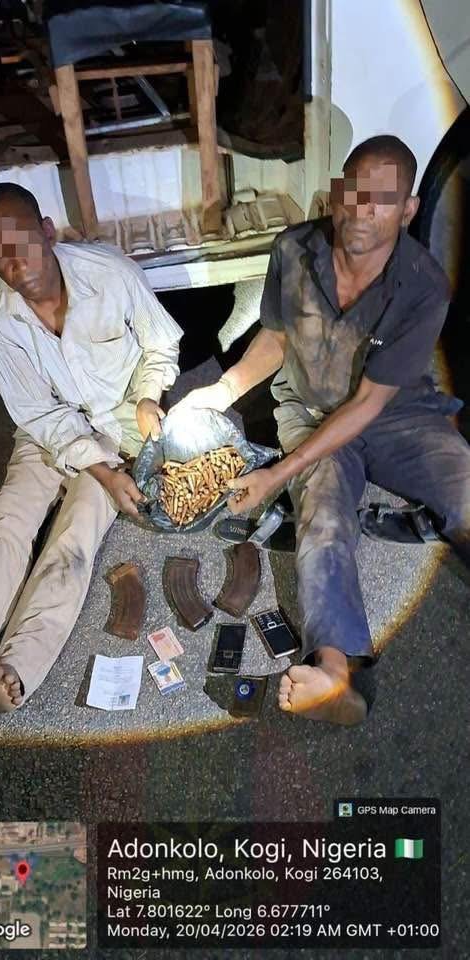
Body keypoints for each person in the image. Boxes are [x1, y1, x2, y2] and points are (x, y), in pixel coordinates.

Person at [176, 135, 470, 726]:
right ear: (337, 193)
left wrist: (273, 476)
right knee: (324, 516)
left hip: (395, 411)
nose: (362, 209)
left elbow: (367, 403)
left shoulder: (423, 284)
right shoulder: (294, 250)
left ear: (408, 210)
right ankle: (334, 674)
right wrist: (222, 391)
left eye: (382, 199)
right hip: (309, 410)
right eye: (354, 191)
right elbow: (276, 337)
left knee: (463, 487)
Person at [0, 183, 182, 714]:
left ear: (46, 231)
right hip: (48, 430)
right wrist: (100, 471)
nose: (14, 260)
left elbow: (161, 343)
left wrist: (147, 396)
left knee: (74, 536)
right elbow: (36, 411)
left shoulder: (108, 272)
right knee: (6, 522)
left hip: (117, 427)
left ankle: (12, 670)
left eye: (21, 239)